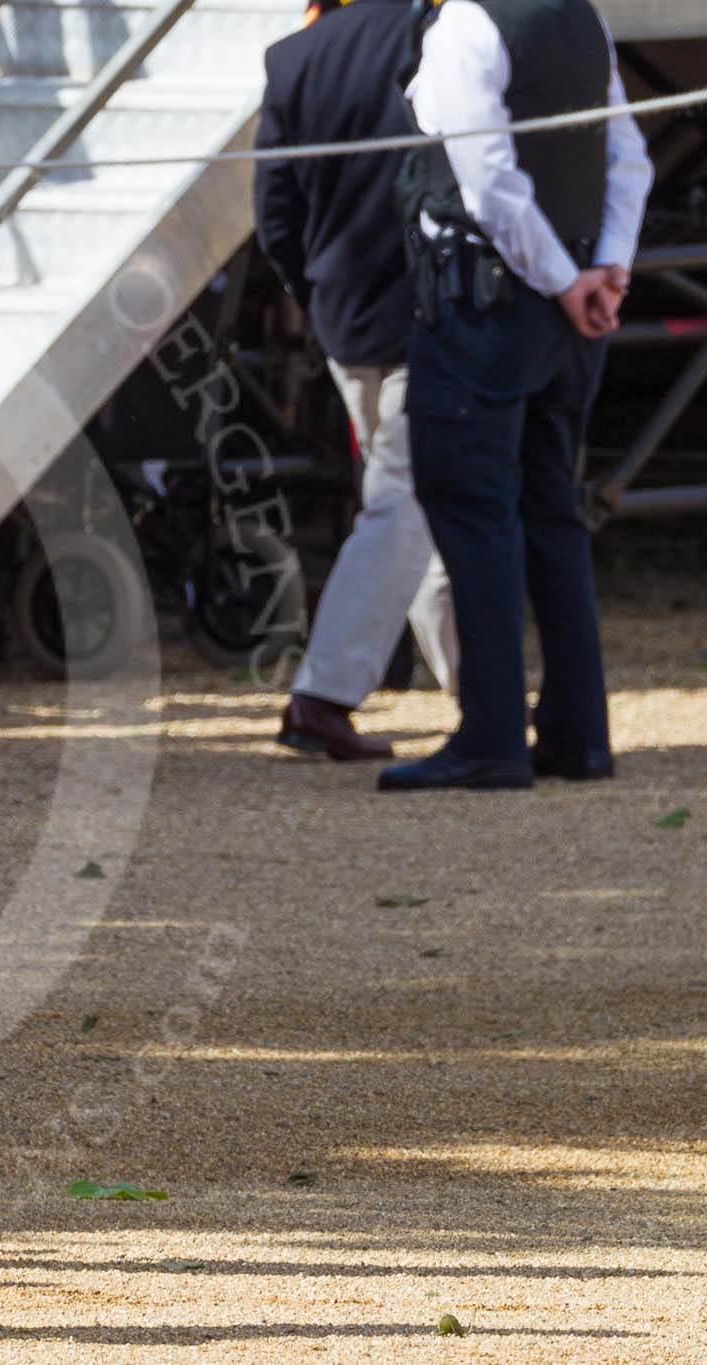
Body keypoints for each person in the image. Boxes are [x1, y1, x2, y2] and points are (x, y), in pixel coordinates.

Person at [380, 0, 651, 791]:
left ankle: (493, 735)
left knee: (474, 512)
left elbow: (489, 181)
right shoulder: (581, 18)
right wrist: (607, 269)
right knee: (551, 516)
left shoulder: (470, 22)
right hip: (563, 313)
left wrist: (574, 283)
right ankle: (577, 734)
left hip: (488, 312)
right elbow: (628, 159)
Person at [255, 0, 458, 762]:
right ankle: (323, 695)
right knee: (403, 504)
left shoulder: (291, 58)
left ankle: (480, 688)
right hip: (421, 306)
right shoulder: (430, 34)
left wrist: (315, 300)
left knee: (414, 503)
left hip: (341, 316)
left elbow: (274, 218)